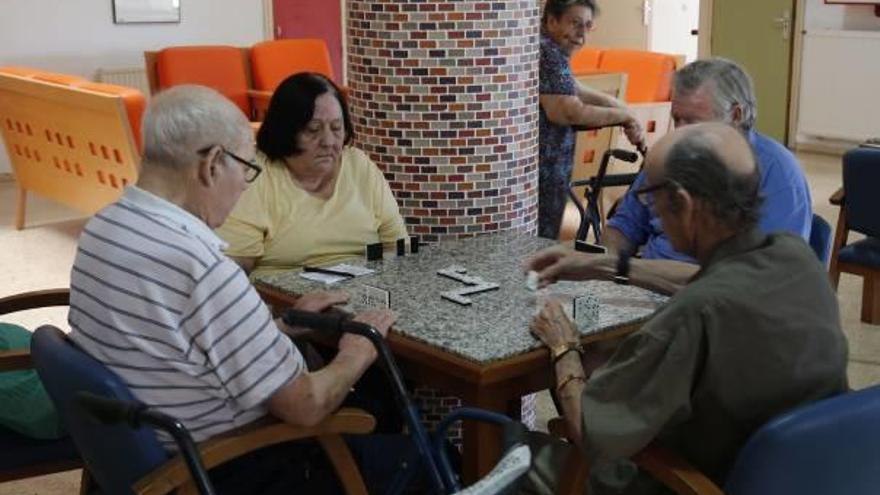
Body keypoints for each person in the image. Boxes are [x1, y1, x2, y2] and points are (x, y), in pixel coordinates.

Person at [67, 85, 409, 493]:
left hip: (151, 447)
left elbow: (176, 341)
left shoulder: (105, 227)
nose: (246, 185)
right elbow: (305, 405)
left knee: (375, 417)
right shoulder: (202, 267)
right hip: (231, 466)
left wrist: (275, 327)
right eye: (246, 169)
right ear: (213, 164)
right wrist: (358, 352)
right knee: (430, 458)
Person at [520, 122, 848, 494]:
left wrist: (564, 347)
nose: (650, 209)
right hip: (811, 475)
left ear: (683, 203)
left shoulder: (693, 316)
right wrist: (603, 264)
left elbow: (588, 430)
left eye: (650, 197)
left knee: (510, 449)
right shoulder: (796, 257)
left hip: (687, 482)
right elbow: (716, 285)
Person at [598, 58, 813, 291]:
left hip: (720, 306)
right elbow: (623, 227)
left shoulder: (778, 173)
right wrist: (603, 272)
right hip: (643, 286)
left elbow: (751, 279)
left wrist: (623, 269)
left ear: (736, 115)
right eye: (676, 119)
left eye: (692, 122)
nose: (680, 132)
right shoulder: (670, 156)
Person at [216, 72, 407, 277]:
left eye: (336, 128)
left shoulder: (358, 165)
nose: (328, 141)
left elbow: (397, 247)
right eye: (313, 129)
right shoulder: (255, 175)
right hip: (284, 299)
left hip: (365, 291)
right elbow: (234, 270)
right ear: (285, 132)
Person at [538, 0, 646, 240]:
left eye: (587, 26)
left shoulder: (548, 49)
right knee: (540, 241)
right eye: (575, 24)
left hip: (546, 169)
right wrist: (623, 116)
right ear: (552, 21)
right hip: (543, 170)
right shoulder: (549, 54)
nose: (581, 34)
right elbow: (568, 111)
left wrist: (620, 108)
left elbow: (573, 88)